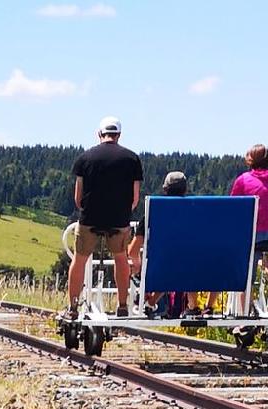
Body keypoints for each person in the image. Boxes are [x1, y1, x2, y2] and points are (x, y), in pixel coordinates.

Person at [63, 116, 143, 319]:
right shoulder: (132, 159)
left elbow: (77, 197)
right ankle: (122, 305)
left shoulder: (85, 158)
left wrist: (87, 209)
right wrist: (123, 212)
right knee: (121, 259)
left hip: (90, 217)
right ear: (119, 135)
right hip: (118, 219)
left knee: (79, 260)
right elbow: (134, 198)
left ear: (99, 134)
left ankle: (72, 307)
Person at [128, 171, 200, 317]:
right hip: (191, 268)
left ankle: (150, 301)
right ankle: (193, 305)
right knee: (185, 263)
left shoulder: (153, 211)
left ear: (165, 189)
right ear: (185, 190)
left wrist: (140, 271)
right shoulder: (195, 211)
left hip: (160, 268)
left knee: (169, 266)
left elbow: (133, 250)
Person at [230, 144, 268, 300]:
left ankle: (244, 317)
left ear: (250, 161)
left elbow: (232, 207)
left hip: (255, 234)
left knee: (247, 274)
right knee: (261, 252)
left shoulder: (242, 180)